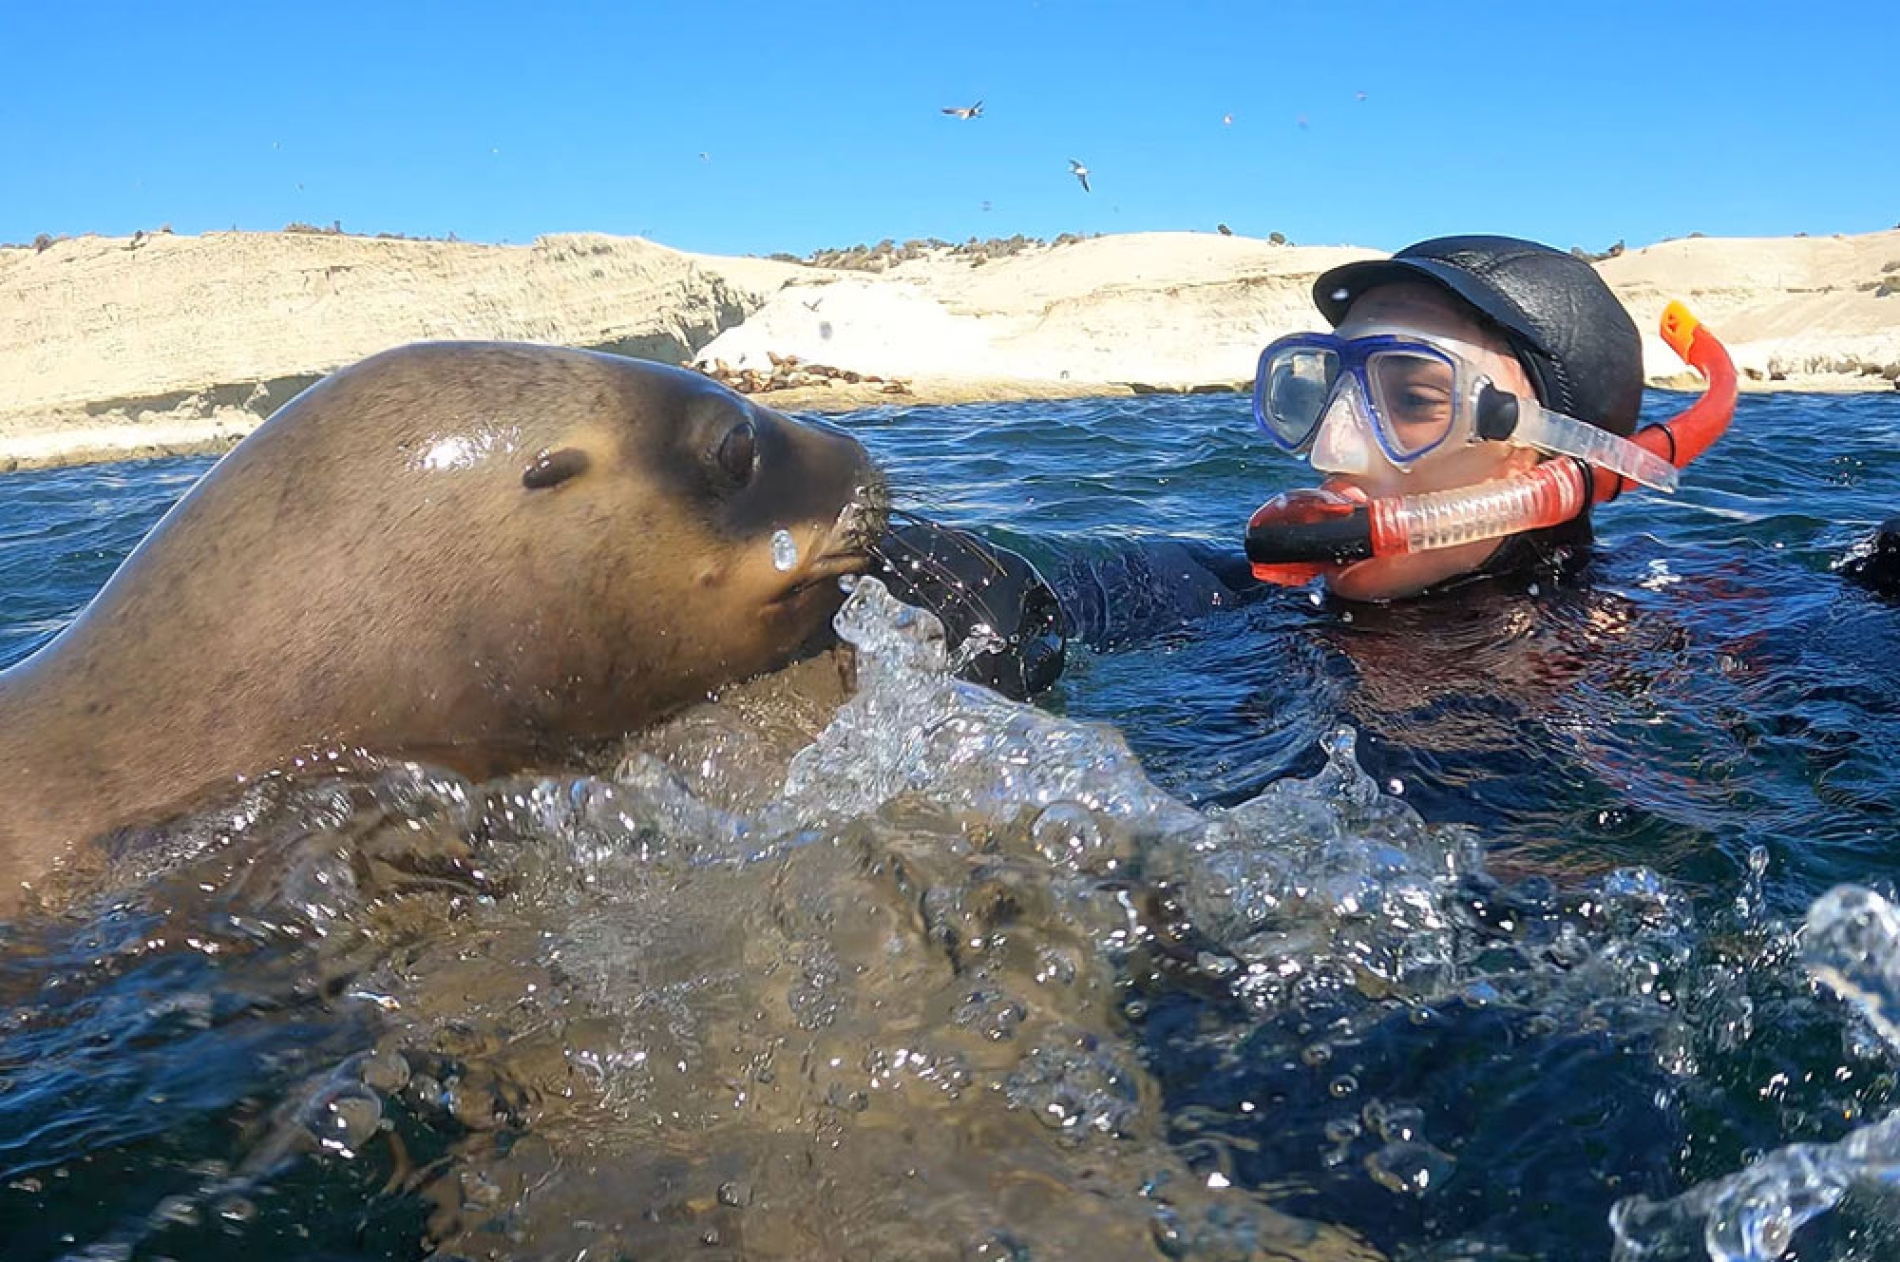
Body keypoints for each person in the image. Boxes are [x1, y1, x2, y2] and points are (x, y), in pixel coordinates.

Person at [1244, 235, 1733, 601]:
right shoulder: (1213, 600)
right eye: (1327, 394)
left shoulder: (1665, 642)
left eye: (1414, 402)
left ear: (1550, 460)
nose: (1330, 449)